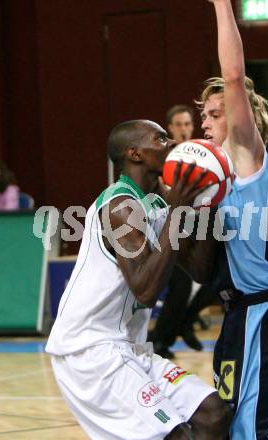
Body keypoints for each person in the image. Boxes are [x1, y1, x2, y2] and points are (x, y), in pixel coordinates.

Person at [45, 120, 231, 440]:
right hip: (90, 351)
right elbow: (145, 291)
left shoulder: (160, 201)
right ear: (135, 153)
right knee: (175, 436)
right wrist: (177, 211)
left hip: (130, 349)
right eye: (160, 138)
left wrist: (207, 204)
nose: (171, 143)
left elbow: (200, 270)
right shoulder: (119, 206)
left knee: (213, 415)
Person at [196, 1, 268, 438]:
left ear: (243, 121)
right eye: (203, 114)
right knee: (226, 424)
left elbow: (234, 76)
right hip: (238, 313)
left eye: (215, 114)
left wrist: (221, 4)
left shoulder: (248, 159)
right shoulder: (215, 181)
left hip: (265, 309)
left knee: (248, 430)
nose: (205, 122)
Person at [151, 104, 206, 358]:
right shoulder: (166, 158)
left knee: (213, 278)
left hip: (195, 228)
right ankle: (160, 340)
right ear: (170, 128)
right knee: (181, 285)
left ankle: (180, 326)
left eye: (187, 124)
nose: (184, 129)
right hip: (165, 230)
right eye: (179, 125)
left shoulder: (203, 155)